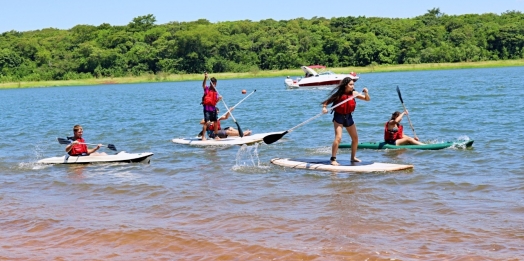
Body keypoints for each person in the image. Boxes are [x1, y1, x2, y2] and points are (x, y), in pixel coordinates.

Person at [321, 73, 370, 165]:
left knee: (355, 138)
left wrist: (366, 93)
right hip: (338, 117)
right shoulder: (339, 94)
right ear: (345, 85)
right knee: (338, 138)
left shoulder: (354, 93)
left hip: (349, 117)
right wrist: (324, 108)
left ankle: (353, 157)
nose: (352, 86)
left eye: (353, 84)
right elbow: (325, 102)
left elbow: (367, 99)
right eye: (350, 84)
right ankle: (333, 159)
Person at [201, 72, 222, 141]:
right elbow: (203, 85)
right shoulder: (207, 89)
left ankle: (216, 136)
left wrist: (219, 99)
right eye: (213, 83)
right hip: (207, 109)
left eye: (215, 84)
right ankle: (203, 136)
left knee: (215, 122)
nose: (215, 85)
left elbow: (215, 102)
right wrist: (205, 78)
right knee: (207, 122)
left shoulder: (216, 92)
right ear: (211, 83)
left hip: (213, 109)